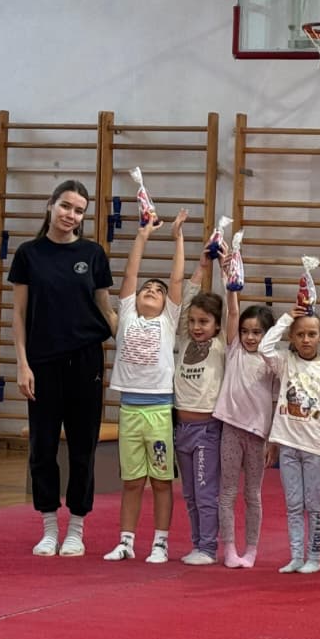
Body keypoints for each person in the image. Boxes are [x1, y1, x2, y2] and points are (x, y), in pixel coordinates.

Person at [9, 180, 114, 558]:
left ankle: (77, 529)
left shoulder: (93, 254)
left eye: (79, 210)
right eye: (66, 206)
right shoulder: (29, 254)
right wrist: (22, 363)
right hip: (42, 362)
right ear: (50, 205)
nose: (71, 215)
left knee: (83, 447)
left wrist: (139, 342)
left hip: (86, 360)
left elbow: (105, 309)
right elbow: (19, 313)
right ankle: (49, 527)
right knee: (43, 447)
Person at [103, 208, 188, 563]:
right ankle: (126, 541)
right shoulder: (127, 316)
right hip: (130, 411)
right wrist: (142, 236)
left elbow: (177, 279)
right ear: (134, 299)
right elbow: (130, 274)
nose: (151, 290)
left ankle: (160, 543)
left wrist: (178, 238)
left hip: (159, 412)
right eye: (146, 289)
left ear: (167, 304)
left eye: (158, 290)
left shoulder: (168, 321)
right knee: (132, 481)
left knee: (161, 481)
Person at [259, 298, 320, 574]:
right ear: (292, 338)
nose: (306, 340)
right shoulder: (286, 362)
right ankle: (296, 555)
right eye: (300, 334)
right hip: (288, 445)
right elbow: (264, 348)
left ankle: (314, 557)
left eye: (312, 334)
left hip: (315, 447)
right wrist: (285, 319)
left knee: (314, 505)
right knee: (293, 504)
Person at [214, 296, 278, 568]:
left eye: (257, 332)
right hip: (231, 429)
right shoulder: (235, 351)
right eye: (245, 331)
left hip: (257, 435)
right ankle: (229, 548)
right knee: (227, 492)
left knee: (253, 494)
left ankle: (251, 549)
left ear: (268, 334)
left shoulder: (273, 361)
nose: (249, 337)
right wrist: (232, 288)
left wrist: (273, 440)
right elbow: (232, 312)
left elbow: (278, 403)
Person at [174, 243, 227, 565]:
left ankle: (208, 547)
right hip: (181, 428)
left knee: (206, 493)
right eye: (193, 321)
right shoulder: (183, 340)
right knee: (190, 494)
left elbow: (231, 310)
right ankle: (197, 544)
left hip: (207, 430)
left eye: (204, 321)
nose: (196, 327)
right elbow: (184, 303)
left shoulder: (221, 346)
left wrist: (226, 269)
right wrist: (201, 266)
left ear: (217, 325)